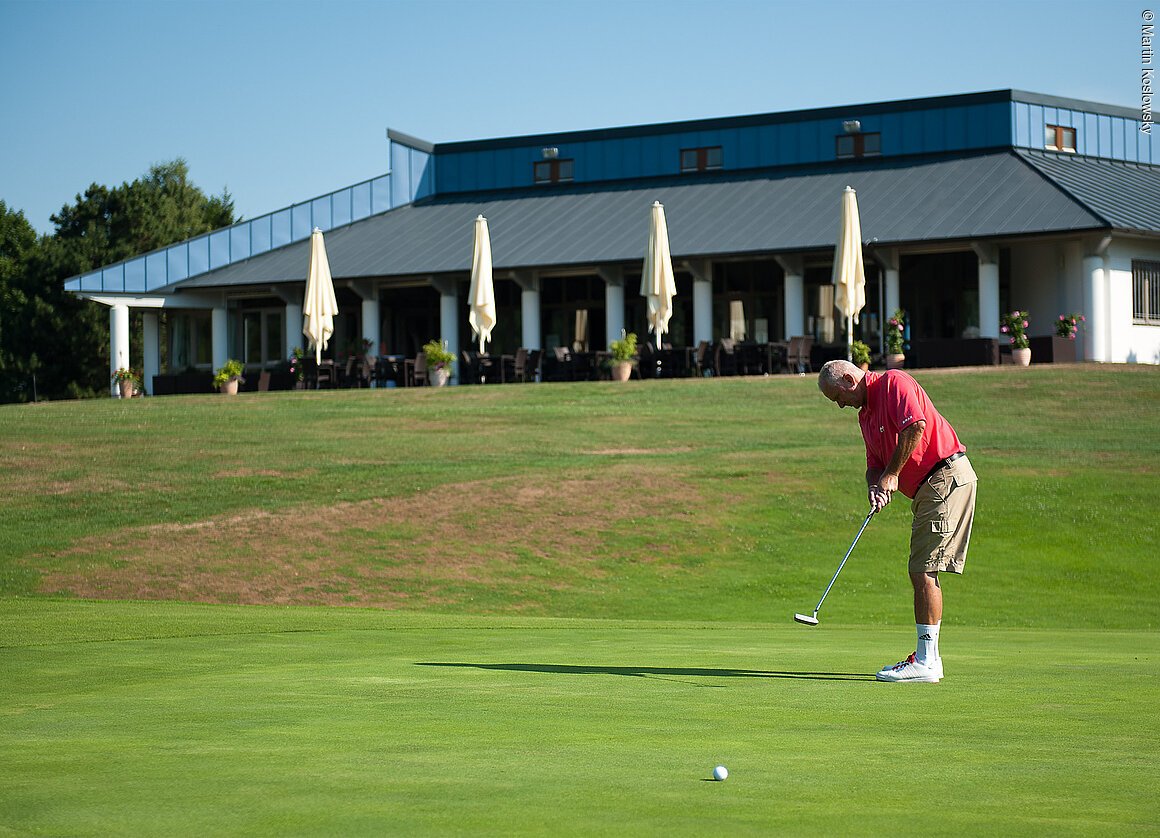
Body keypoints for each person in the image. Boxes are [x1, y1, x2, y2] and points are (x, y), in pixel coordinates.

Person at [817, 360, 977, 683]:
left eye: (837, 397)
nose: (840, 405)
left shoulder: (893, 383)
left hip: (945, 475)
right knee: (920, 568)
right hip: (926, 488)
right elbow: (873, 465)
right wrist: (875, 485)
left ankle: (927, 661)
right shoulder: (866, 416)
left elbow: (915, 426)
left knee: (922, 569)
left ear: (849, 379)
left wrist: (892, 474)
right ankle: (927, 657)